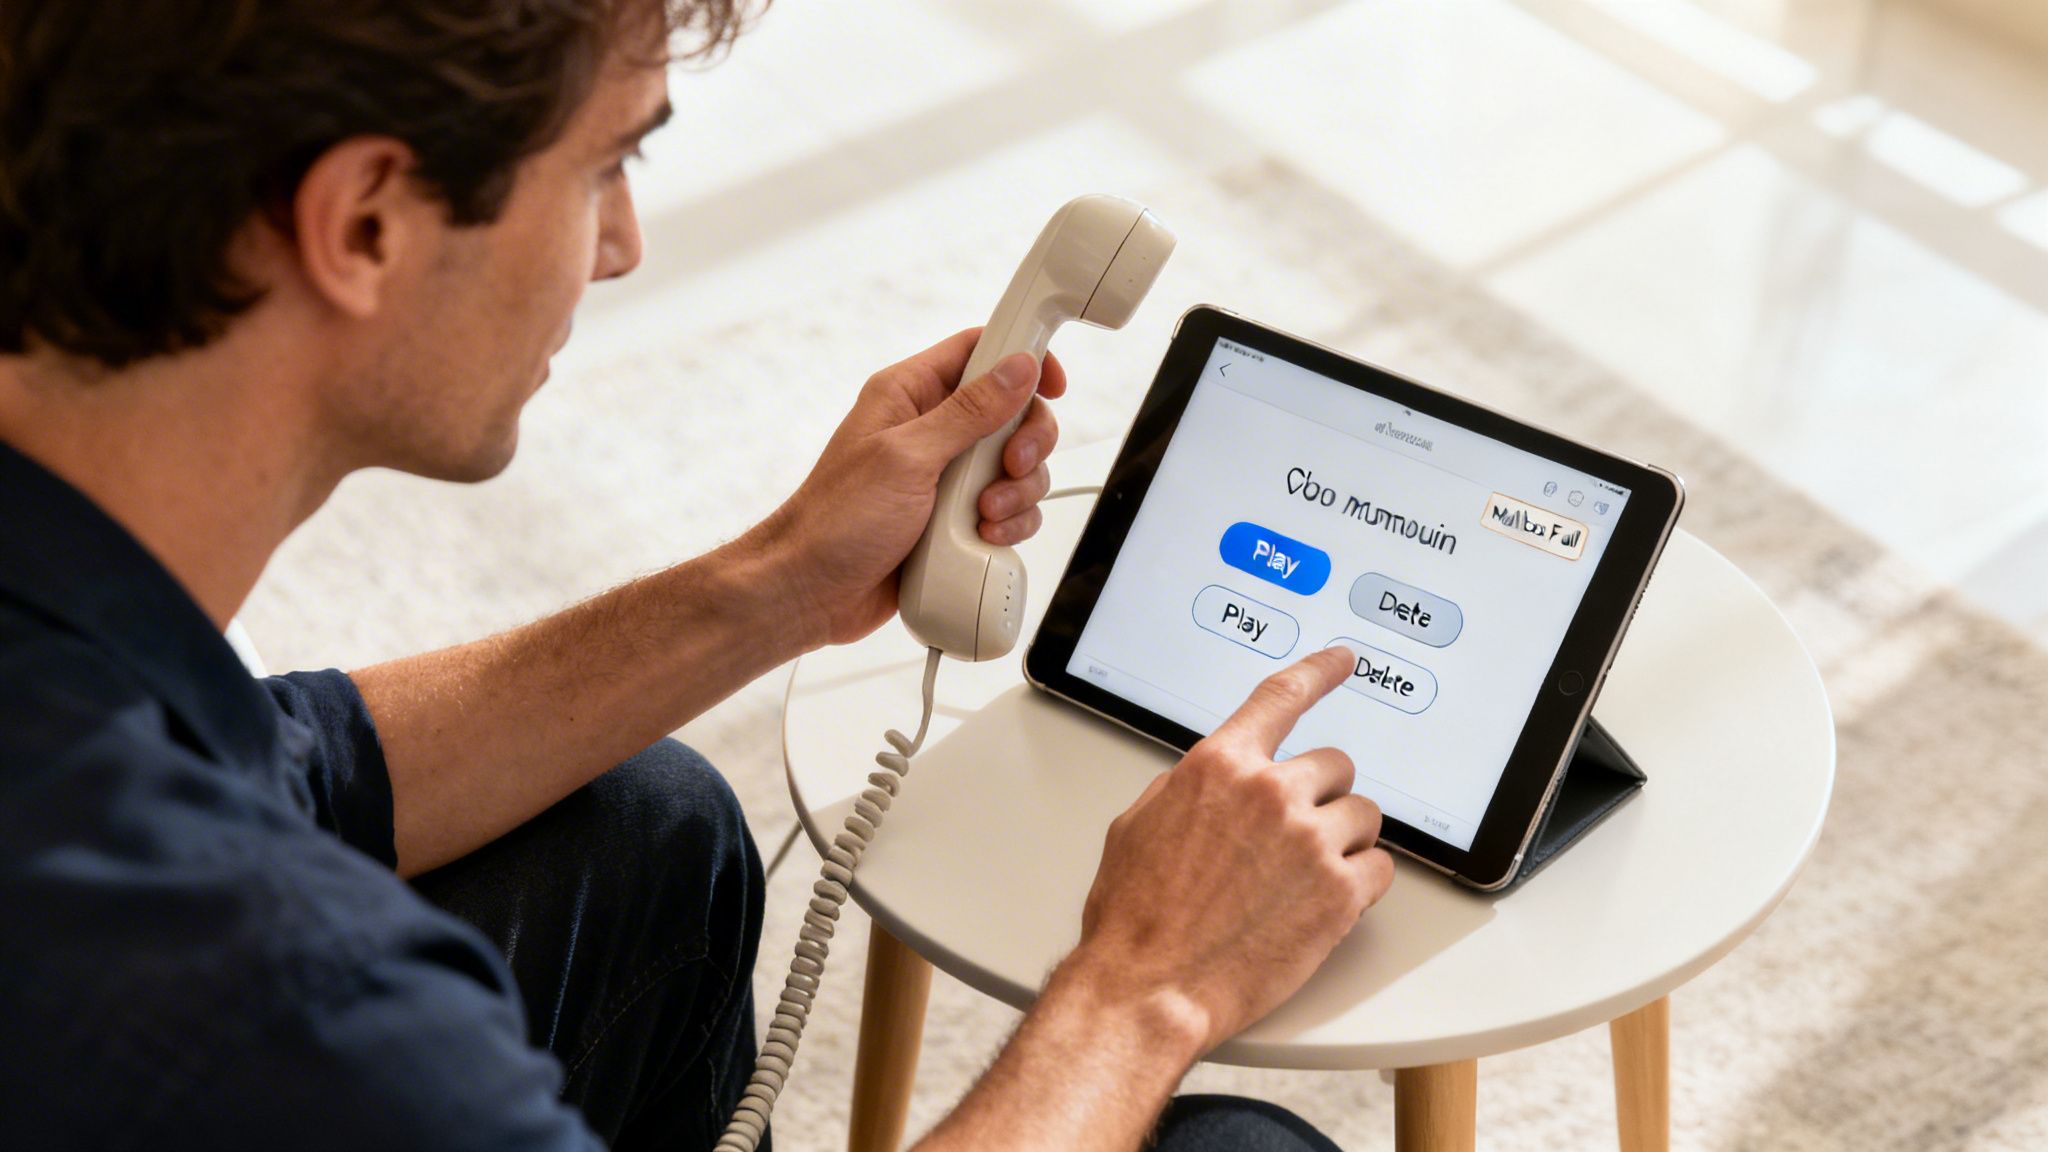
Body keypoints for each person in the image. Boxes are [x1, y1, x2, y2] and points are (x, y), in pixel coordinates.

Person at [0, 1, 1396, 1148]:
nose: (621, 247)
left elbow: (286, 761)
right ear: (365, 220)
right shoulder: (304, 1007)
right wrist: (1140, 991)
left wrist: (782, 578)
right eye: (608, 164)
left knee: (644, 829)